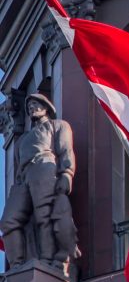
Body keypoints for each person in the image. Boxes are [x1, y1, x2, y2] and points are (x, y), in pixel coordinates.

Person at [0, 93, 78, 268]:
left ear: (46, 108)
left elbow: (66, 150)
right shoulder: (23, 140)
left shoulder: (58, 125)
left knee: (45, 215)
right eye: (29, 106)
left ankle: (47, 260)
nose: (31, 108)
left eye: (35, 104)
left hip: (45, 167)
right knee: (8, 220)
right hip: (24, 177)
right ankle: (17, 265)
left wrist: (66, 173)